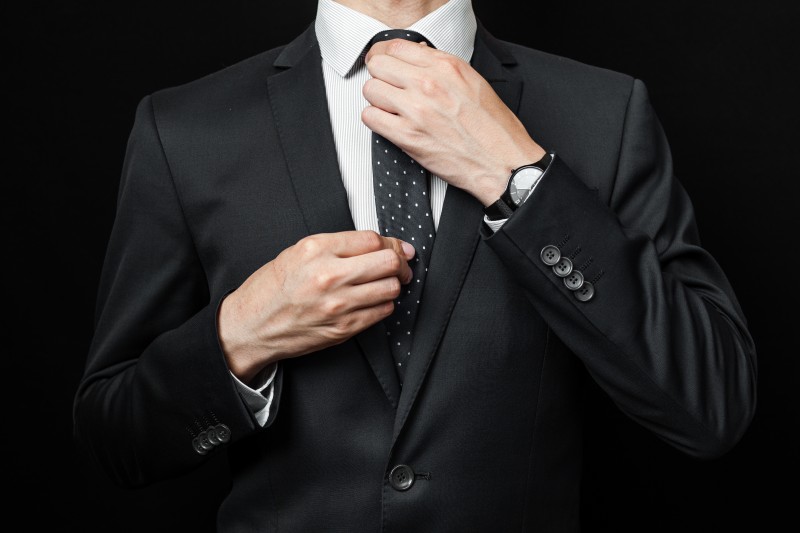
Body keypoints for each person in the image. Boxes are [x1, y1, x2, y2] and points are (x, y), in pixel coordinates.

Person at [73, 0, 757, 530]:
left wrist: (519, 178)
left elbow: (711, 402)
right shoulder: (186, 127)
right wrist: (241, 335)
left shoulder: (604, 113)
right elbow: (114, 434)